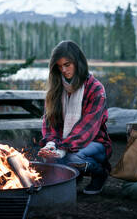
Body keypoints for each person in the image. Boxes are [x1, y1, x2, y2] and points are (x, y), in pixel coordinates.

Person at [38, 40, 112, 195]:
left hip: (95, 142)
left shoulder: (95, 88)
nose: (63, 70)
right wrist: (51, 145)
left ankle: (100, 172)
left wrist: (62, 149)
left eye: (67, 64)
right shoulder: (56, 88)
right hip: (66, 141)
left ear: (78, 62)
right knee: (49, 157)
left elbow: (87, 128)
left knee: (72, 158)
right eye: (59, 66)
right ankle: (73, 175)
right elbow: (49, 123)